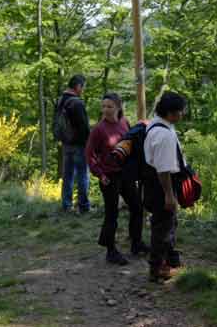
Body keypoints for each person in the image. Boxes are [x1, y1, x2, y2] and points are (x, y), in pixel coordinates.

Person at [86, 93, 149, 265]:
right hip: (109, 177)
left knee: (137, 207)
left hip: (125, 174)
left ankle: (136, 243)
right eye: (103, 106)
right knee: (111, 213)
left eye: (110, 106)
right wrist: (100, 174)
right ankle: (111, 251)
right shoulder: (98, 129)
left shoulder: (124, 122)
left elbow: (129, 144)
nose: (106, 110)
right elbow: (89, 155)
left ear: (118, 107)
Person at [143, 92, 189, 282]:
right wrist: (169, 195)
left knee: (167, 224)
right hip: (162, 185)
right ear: (171, 113)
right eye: (180, 111)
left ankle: (168, 260)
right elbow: (163, 169)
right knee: (162, 227)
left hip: (156, 183)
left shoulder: (157, 124)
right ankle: (157, 268)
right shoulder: (163, 135)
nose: (183, 115)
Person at [56, 75, 92, 213]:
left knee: (68, 175)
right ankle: (83, 206)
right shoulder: (77, 103)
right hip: (79, 144)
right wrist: (90, 143)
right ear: (78, 86)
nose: (83, 90)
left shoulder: (60, 100)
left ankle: (66, 205)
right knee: (82, 175)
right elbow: (83, 127)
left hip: (65, 143)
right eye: (83, 87)